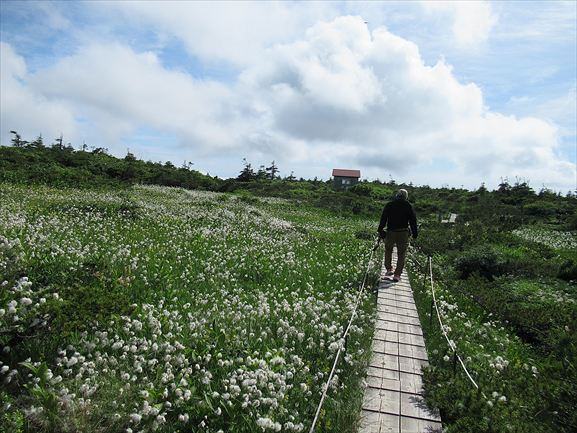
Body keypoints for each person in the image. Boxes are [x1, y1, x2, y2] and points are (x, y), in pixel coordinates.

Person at [377, 189, 418, 282]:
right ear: (406, 196)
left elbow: (383, 218)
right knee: (401, 253)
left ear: (397, 195)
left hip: (390, 231)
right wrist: (415, 233)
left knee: (388, 250)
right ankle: (397, 274)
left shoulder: (390, 205)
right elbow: (413, 221)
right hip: (403, 233)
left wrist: (380, 229)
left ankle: (389, 269)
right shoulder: (408, 206)